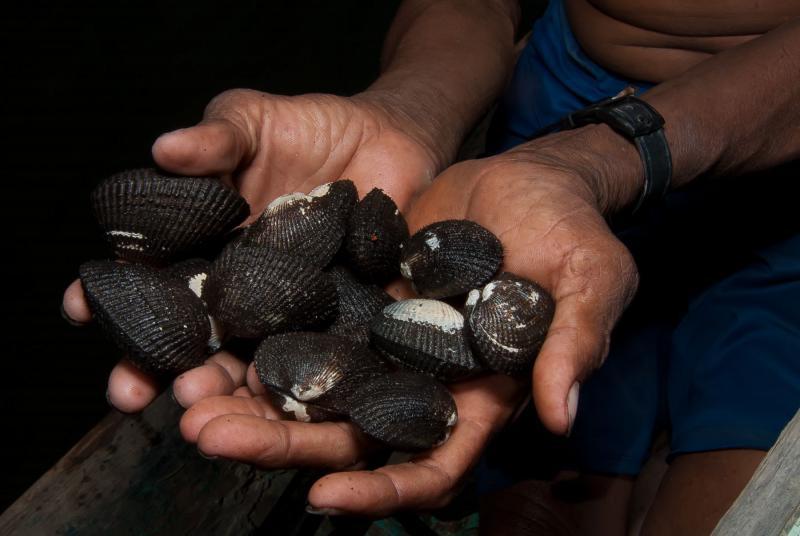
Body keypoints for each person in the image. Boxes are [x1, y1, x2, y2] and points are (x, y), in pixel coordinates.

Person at [62, 0, 800, 533]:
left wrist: (608, 155)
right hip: (562, 98)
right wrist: (411, 112)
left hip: (773, 180)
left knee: (728, 494)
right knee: (557, 479)